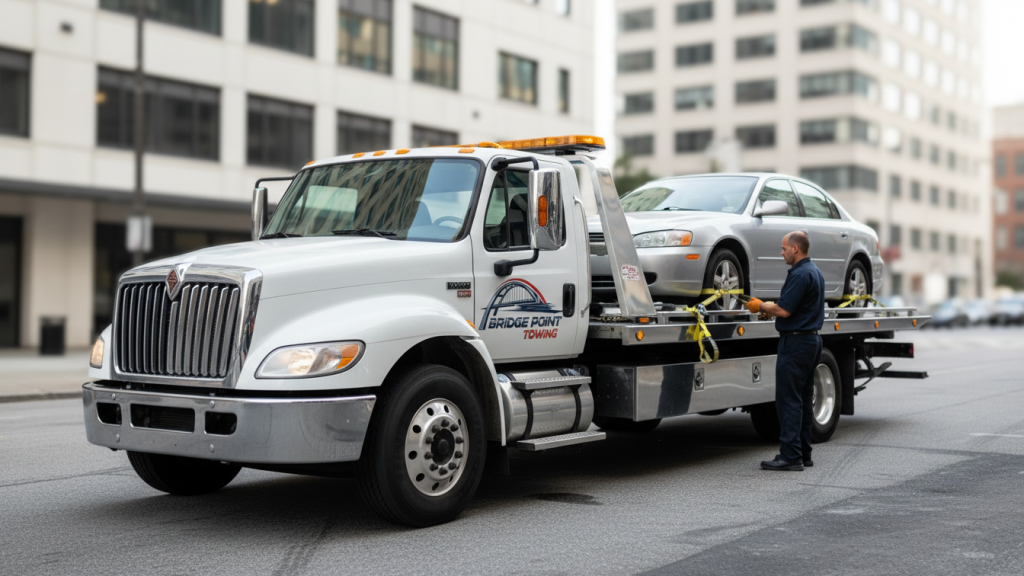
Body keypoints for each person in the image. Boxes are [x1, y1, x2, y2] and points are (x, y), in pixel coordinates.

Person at [745, 231, 825, 471]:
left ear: (796, 249)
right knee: (802, 399)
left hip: (796, 343)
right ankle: (804, 453)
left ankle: (790, 456)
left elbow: (784, 310)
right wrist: (767, 308)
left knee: (788, 400)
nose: (781, 253)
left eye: (783, 248)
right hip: (811, 341)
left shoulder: (801, 274)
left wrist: (761, 305)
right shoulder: (815, 272)